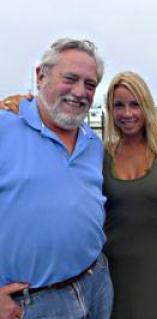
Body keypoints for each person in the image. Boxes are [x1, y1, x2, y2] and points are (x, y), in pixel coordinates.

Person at [0, 38, 113, 318]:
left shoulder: (93, 143)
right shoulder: (4, 127)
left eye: (90, 84)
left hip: (96, 283)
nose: (80, 92)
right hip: (32, 303)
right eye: (70, 79)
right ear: (41, 76)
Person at [102, 71, 157, 319]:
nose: (127, 114)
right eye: (119, 105)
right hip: (109, 265)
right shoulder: (101, 154)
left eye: (135, 104)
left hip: (153, 265)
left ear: (146, 106)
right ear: (110, 109)